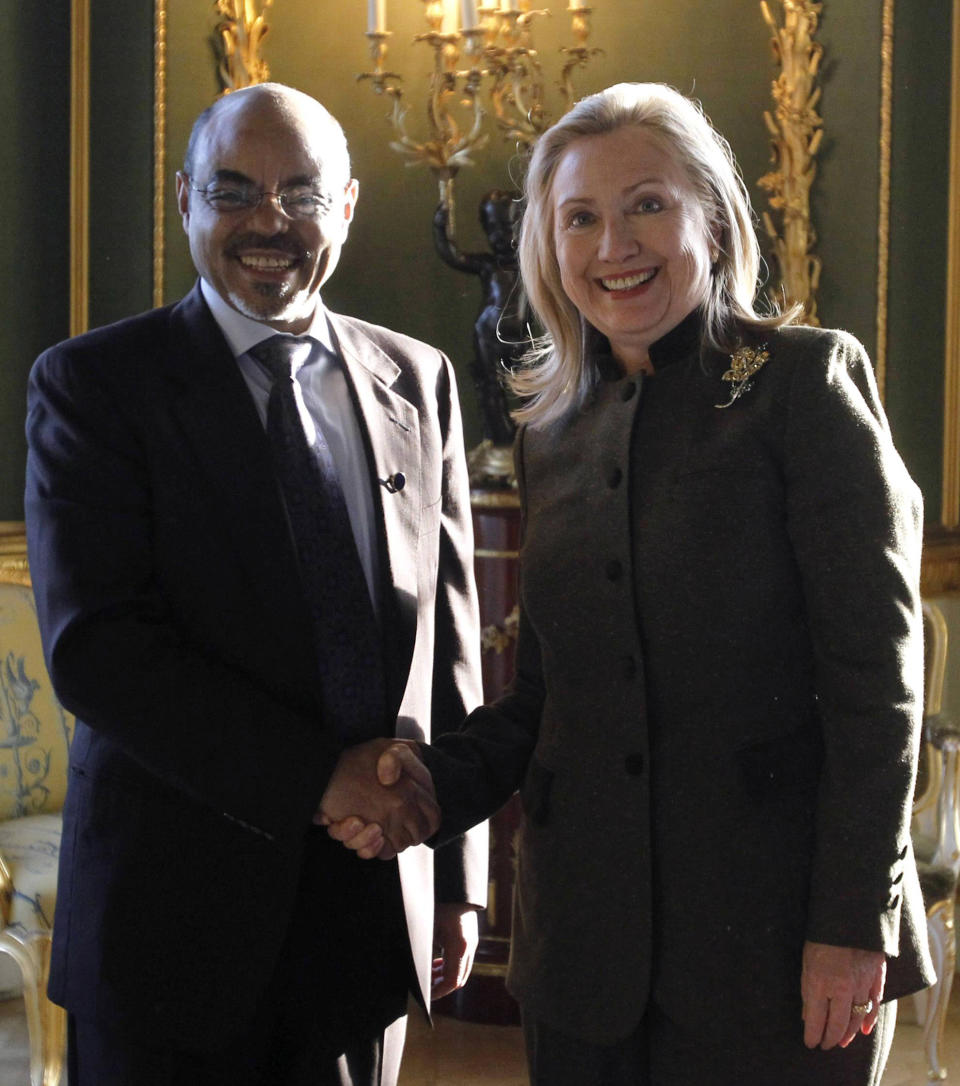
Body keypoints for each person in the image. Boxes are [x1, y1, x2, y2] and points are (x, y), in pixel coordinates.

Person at [329, 82, 935, 1085]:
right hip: (584, 964)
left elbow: (880, 693)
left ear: (711, 216)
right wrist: (425, 789)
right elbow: (545, 702)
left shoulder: (804, 384)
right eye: (581, 218)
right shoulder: (551, 434)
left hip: (778, 953)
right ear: (549, 249)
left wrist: (850, 926)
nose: (616, 244)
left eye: (648, 204)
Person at [24, 82, 486, 1086]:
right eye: (234, 190)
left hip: (368, 919)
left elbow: (450, 660)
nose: (268, 221)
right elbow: (101, 652)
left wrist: (455, 880)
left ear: (348, 209)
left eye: (302, 195)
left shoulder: (420, 380)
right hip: (171, 938)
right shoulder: (95, 386)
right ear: (184, 199)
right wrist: (320, 777)